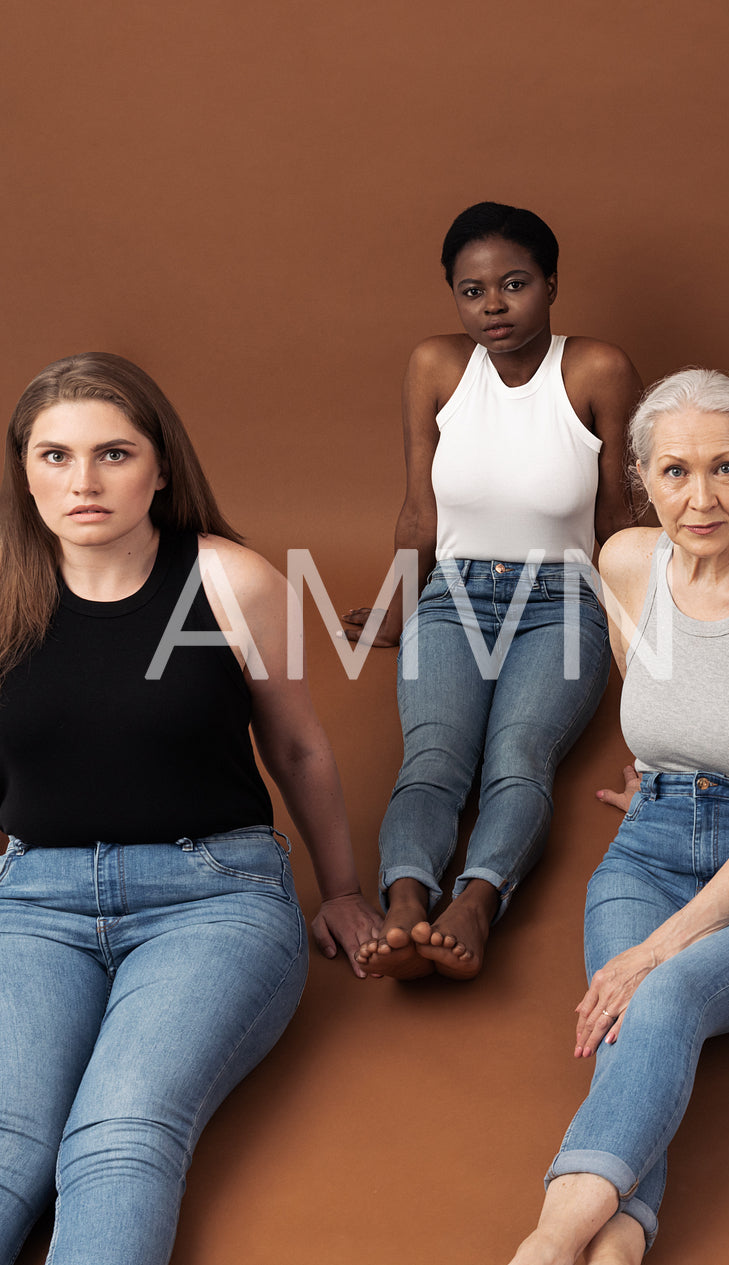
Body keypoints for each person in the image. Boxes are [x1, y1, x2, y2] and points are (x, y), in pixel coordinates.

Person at [0, 353, 382, 1265]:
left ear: (161, 465)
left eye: (113, 454)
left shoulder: (228, 581)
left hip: (209, 897)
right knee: (11, 1142)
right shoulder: (6, 590)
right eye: (54, 456)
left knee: (117, 1134)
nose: (82, 481)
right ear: (23, 470)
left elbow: (296, 746)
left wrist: (340, 888)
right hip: (34, 901)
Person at [506, 369, 729, 1265]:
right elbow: (657, 689)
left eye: (725, 469)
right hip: (649, 850)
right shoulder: (625, 561)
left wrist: (655, 947)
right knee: (639, 1024)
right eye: (674, 472)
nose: (699, 498)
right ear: (641, 478)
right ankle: (619, 1243)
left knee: (658, 991)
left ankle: (546, 1244)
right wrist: (675, 779)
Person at [344, 201, 641, 980]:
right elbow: (419, 511)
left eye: (514, 284)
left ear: (549, 284)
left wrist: (648, 637)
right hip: (453, 593)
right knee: (433, 757)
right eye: (471, 291)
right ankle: (406, 901)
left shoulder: (598, 368)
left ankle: (476, 902)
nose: (494, 306)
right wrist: (394, 611)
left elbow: (622, 521)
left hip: (563, 600)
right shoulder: (435, 366)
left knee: (518, 754)